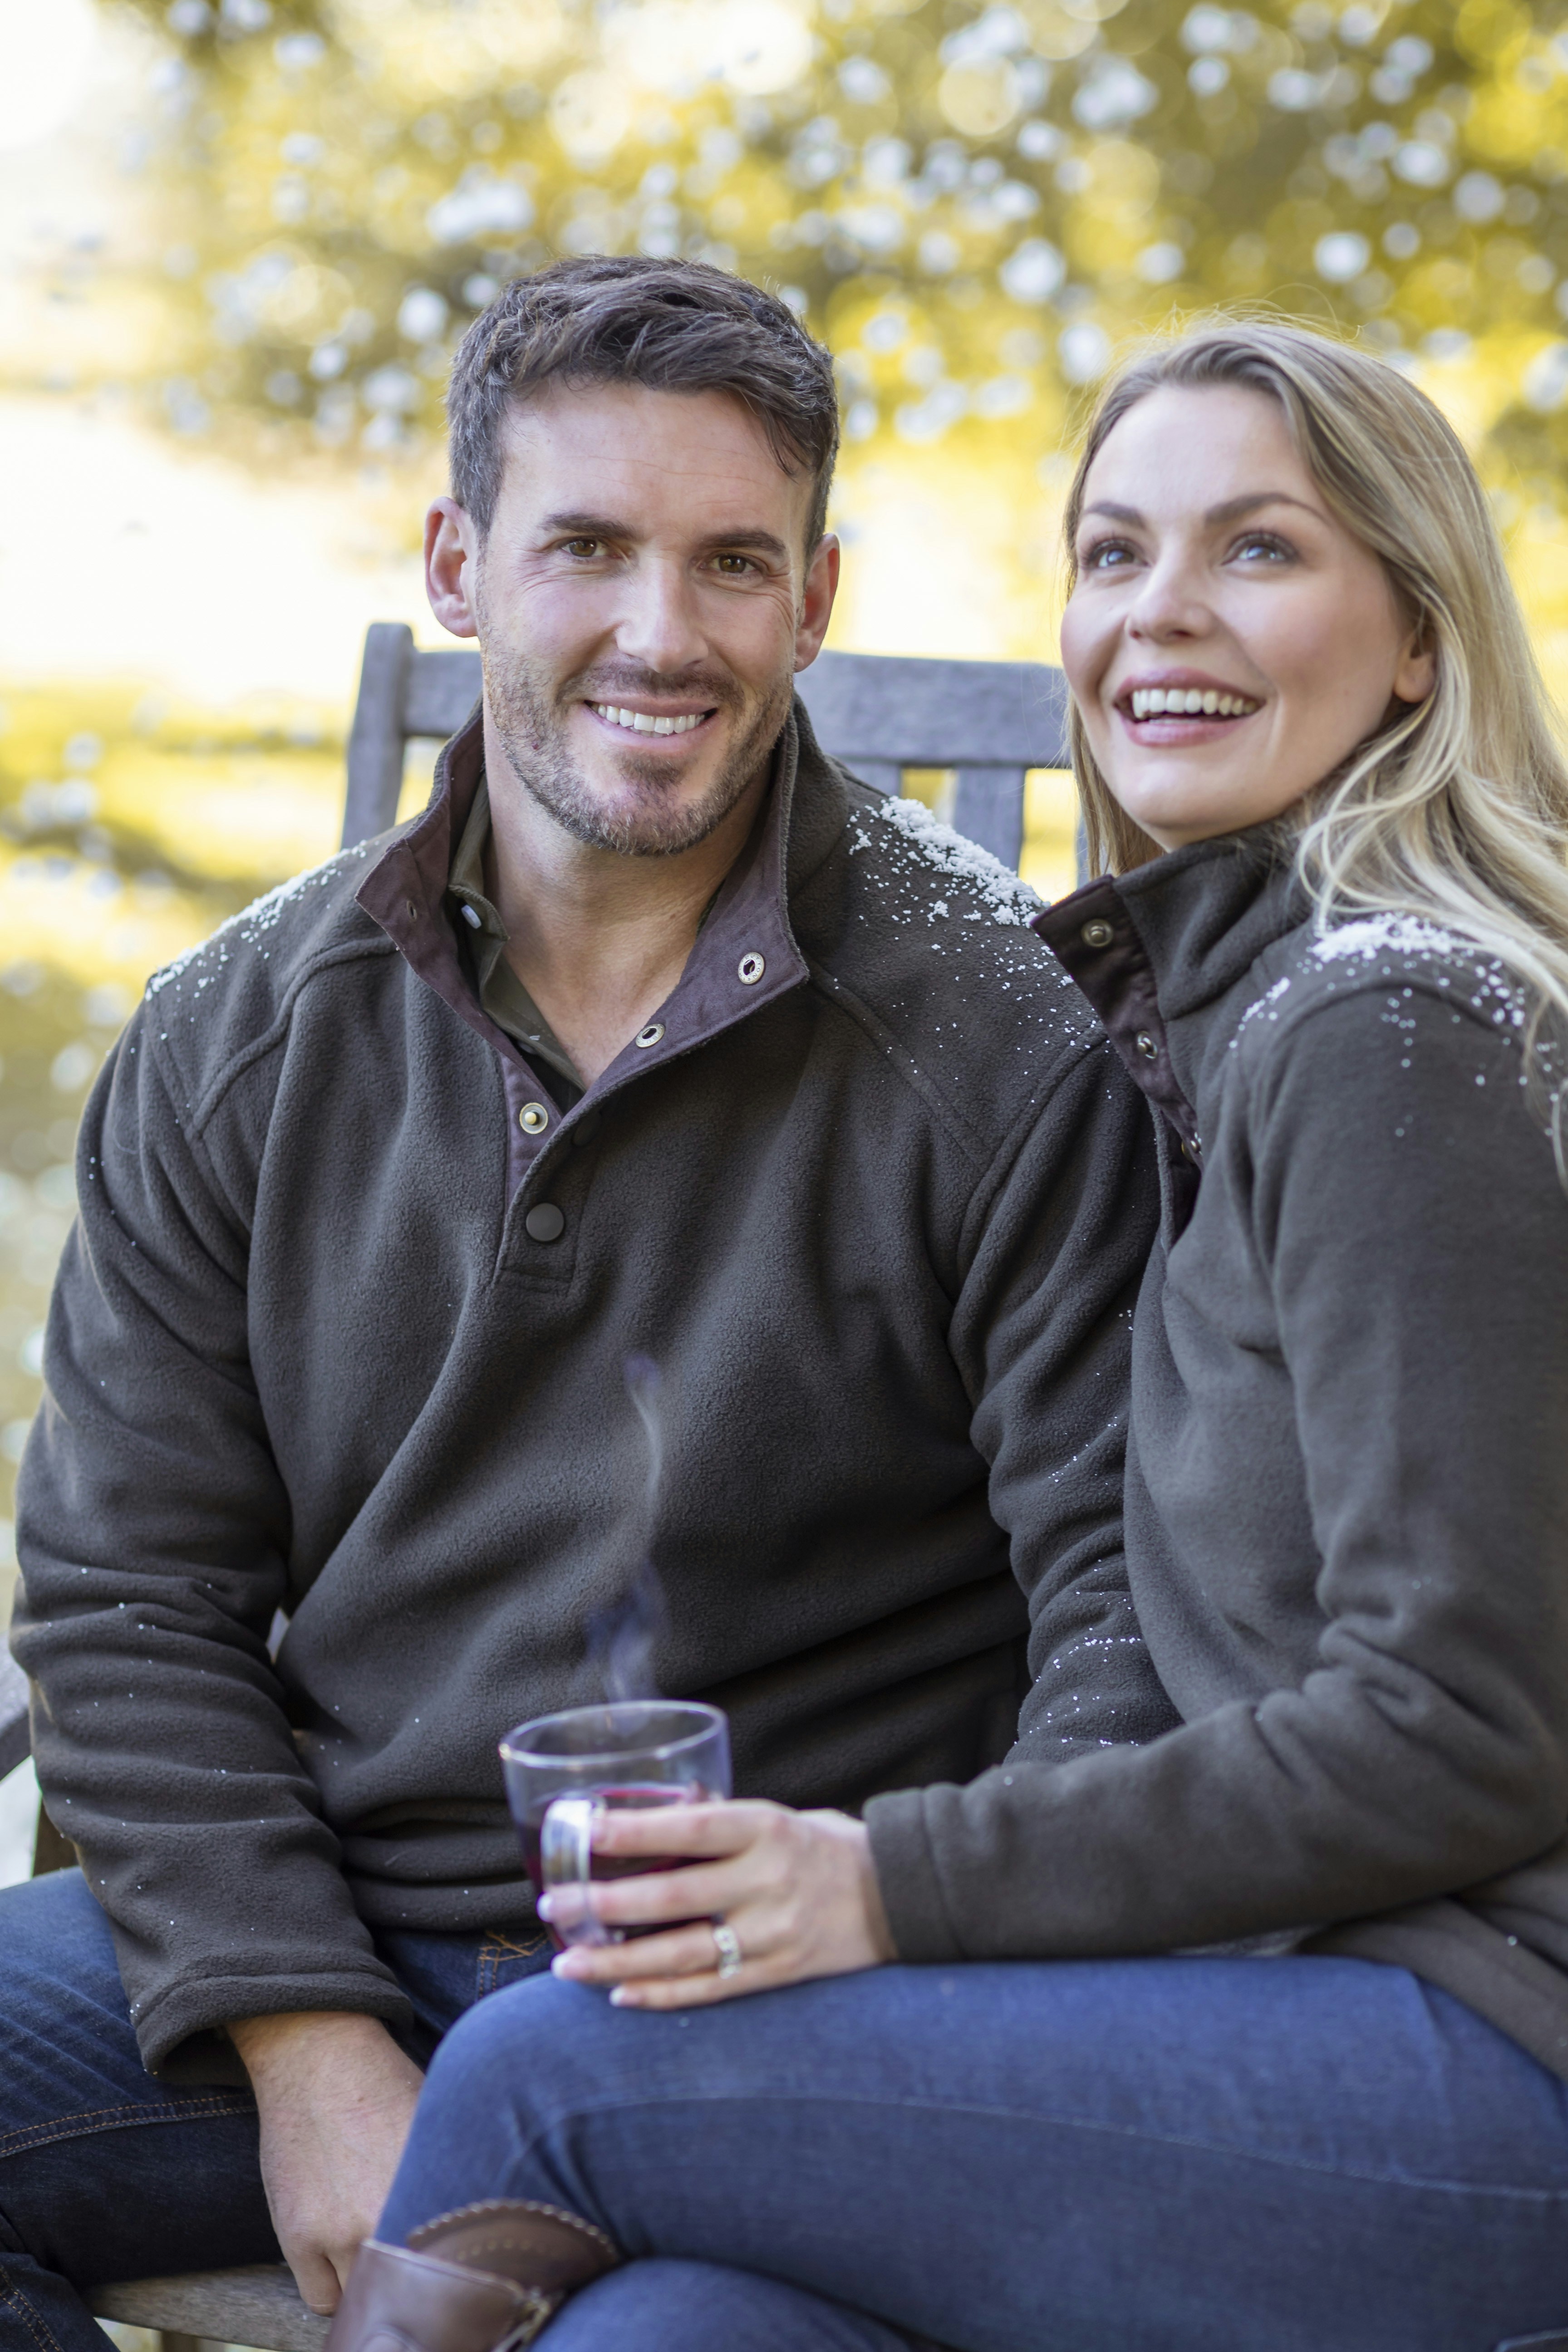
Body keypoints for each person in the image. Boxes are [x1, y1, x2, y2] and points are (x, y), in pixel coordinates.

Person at [342, 318, 1568, 2352]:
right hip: (1279, 1986)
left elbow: (1463, 1721)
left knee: (549, 2071)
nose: (1159, 614)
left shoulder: (1382, 1028)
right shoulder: (1233, 1012)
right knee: (694, 2334)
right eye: (1113, 555)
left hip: (1482, 2058)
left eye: (1259, 551)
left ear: (1421, 638)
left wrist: (883, 1884)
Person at [0, 256, 1160, 2349]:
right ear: (458, 564)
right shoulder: (239, 1037)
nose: (663, 631)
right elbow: (120, 1590)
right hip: (339, 1930)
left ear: (815, 599)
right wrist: (304, 2048)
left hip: (794, 2005)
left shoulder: (998, 1044)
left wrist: (939, 2014)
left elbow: (1125, 1609)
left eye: (734, 564)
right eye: (587, 551)